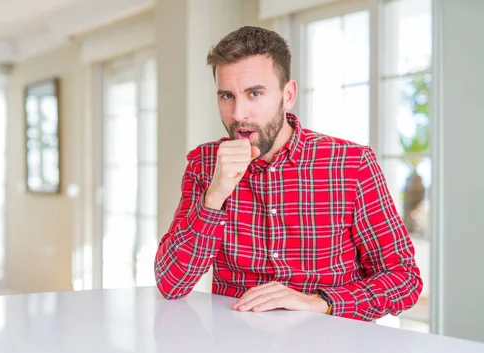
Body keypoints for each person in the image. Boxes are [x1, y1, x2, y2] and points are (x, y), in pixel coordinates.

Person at [154, 26, 422, 321]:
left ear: (288, 94)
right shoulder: (205, 164)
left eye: (254, 93)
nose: (239, 113)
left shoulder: (351, 164)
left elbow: (403, 280)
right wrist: (214, 197)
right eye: (227, 96)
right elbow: (171, 283)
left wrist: (320, 302)